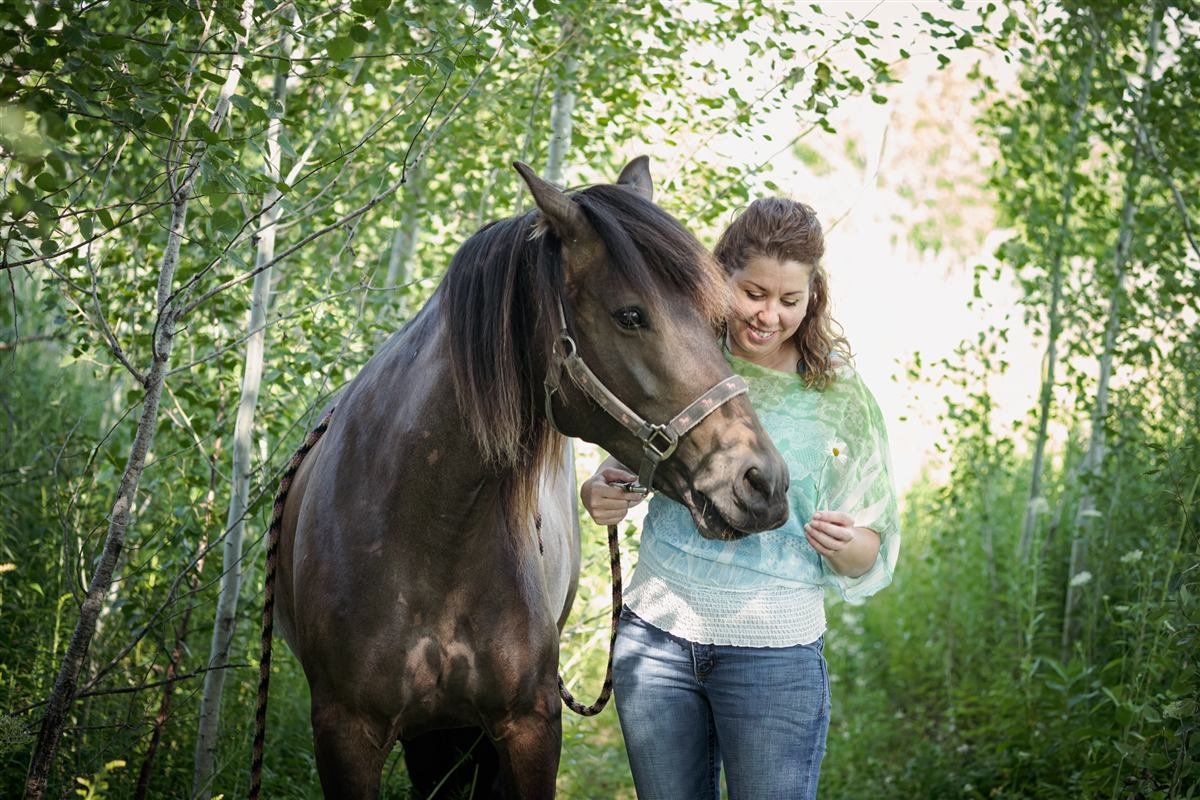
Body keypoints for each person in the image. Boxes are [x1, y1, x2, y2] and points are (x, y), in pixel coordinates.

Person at [580, 197, 900, 800]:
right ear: (718, 275)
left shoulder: (835, 395)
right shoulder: (683, 353)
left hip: (773, 657)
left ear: (813, 296)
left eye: (789, 300)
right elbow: (633, 455)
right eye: (753, 293)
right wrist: (601, 489)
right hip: (658, 642)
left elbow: (871, 549)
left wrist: (845, 545)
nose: (768, 316)